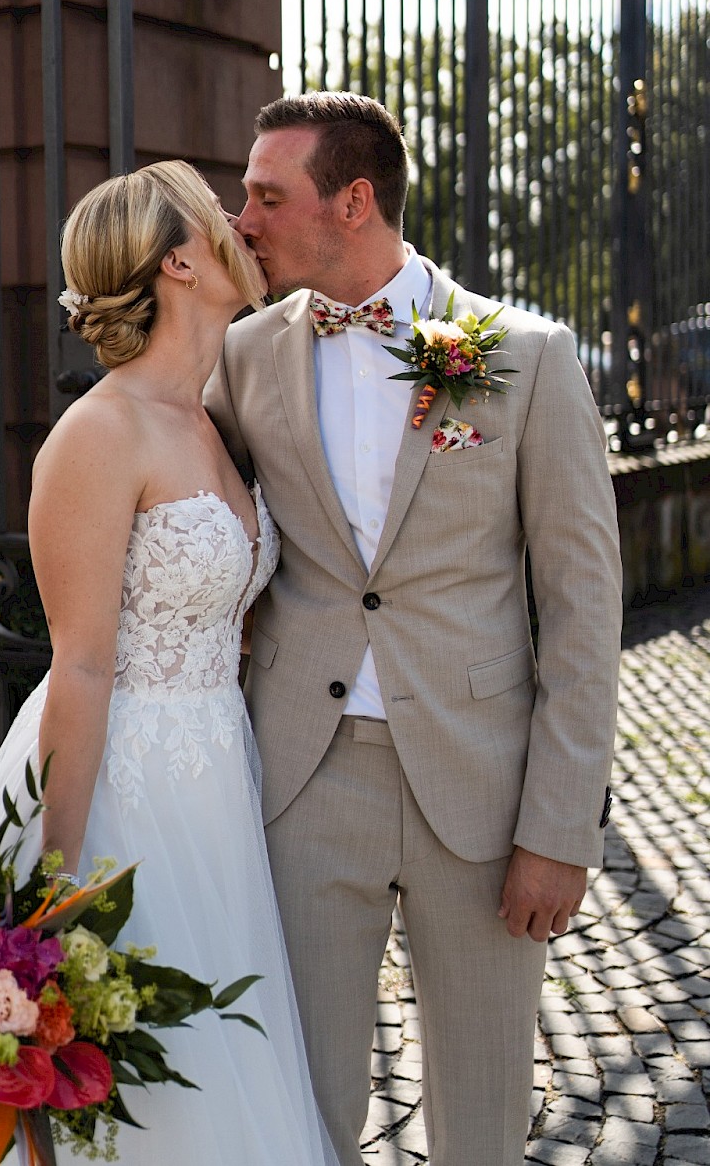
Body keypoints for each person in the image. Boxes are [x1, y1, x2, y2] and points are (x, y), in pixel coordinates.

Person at [0, 160, 336, 1166]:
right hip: (117, 791)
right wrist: (50, 894)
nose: (241, 222)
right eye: (215, 213)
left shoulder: (206, 418)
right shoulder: (97, 434)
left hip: (217, 780)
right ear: (180, 262)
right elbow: (84, 666)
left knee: (216, 1051)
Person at [204, 92, 623, 1166]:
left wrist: (559, 830)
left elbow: (582, 607)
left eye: (264, 195)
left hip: (482, 789)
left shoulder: (526, 357)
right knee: (306, 1104)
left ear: (352, 202)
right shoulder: (245, 360)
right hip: (305, 773)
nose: (240, 217)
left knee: (482, 1114)